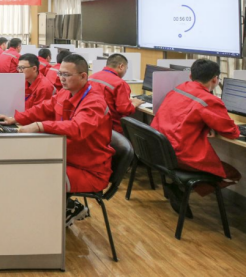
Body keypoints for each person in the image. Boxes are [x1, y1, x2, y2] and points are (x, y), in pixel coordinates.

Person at [0, 54, 114, 226]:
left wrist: (40, 126)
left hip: (89, 169)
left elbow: (77, 128)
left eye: (66, 75)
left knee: (35, 178)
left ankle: (63, 212)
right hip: (67, 158)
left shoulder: (94, 101)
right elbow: (44, 108)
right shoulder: (65, 93)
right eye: (60, 73)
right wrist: (15, 118)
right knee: (25, 167)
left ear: (83, 76)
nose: (61, 78)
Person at [151, 59, 241, 213]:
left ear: (190, 76)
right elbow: (232, 132)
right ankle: (182, 189)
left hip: (160, 150)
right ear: (215, 79)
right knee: (233, 175)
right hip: (180, 155)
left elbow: (185, 115)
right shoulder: (208, 100)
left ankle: (180, 187)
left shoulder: (178, 89)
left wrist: (207, 125)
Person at [89, 53, 143, 133]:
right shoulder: (119, 83)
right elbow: (124, 110)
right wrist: (134, 104)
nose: (125, 72)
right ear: (121, 66)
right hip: (111, 128)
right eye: (126, 69)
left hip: (92, 123)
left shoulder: (91, 77)